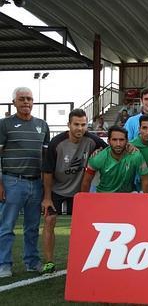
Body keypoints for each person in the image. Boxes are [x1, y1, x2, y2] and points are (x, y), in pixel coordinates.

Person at [40, 109, 107, 274]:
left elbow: (112, 149)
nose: (80, 128)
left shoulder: (92, 140)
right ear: (68, 125)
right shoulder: (56, 143)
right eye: (76, 124)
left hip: (79, 191)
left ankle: (83, 260)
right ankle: (49, 262)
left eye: (83, 125)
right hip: (57, 189)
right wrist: (47, 198)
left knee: (84, 226)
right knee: (49, 221)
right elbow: (47, 172)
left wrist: (103, 152)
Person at [0, 87, 50, 278]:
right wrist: (0, 183)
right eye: (22, 99)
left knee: (32, 227)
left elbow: (46, 157)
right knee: (6, 226)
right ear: (14, 102)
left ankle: (32, 261)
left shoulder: (42, 125)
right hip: (12, 181)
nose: (26, 102)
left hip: (36, 182)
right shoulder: (4, 125)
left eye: (29, 98)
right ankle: (4, 264)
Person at [81, 126, 148, 193]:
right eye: (114, 140)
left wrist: (147, 201)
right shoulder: (98, 157)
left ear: (127, 141)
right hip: (104, 195)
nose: (118, 144)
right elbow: (86, 181)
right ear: (108, 141)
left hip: (128, 194)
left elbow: (145, 180)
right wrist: (84, 202)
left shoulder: (136, 155)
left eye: (121, 140)